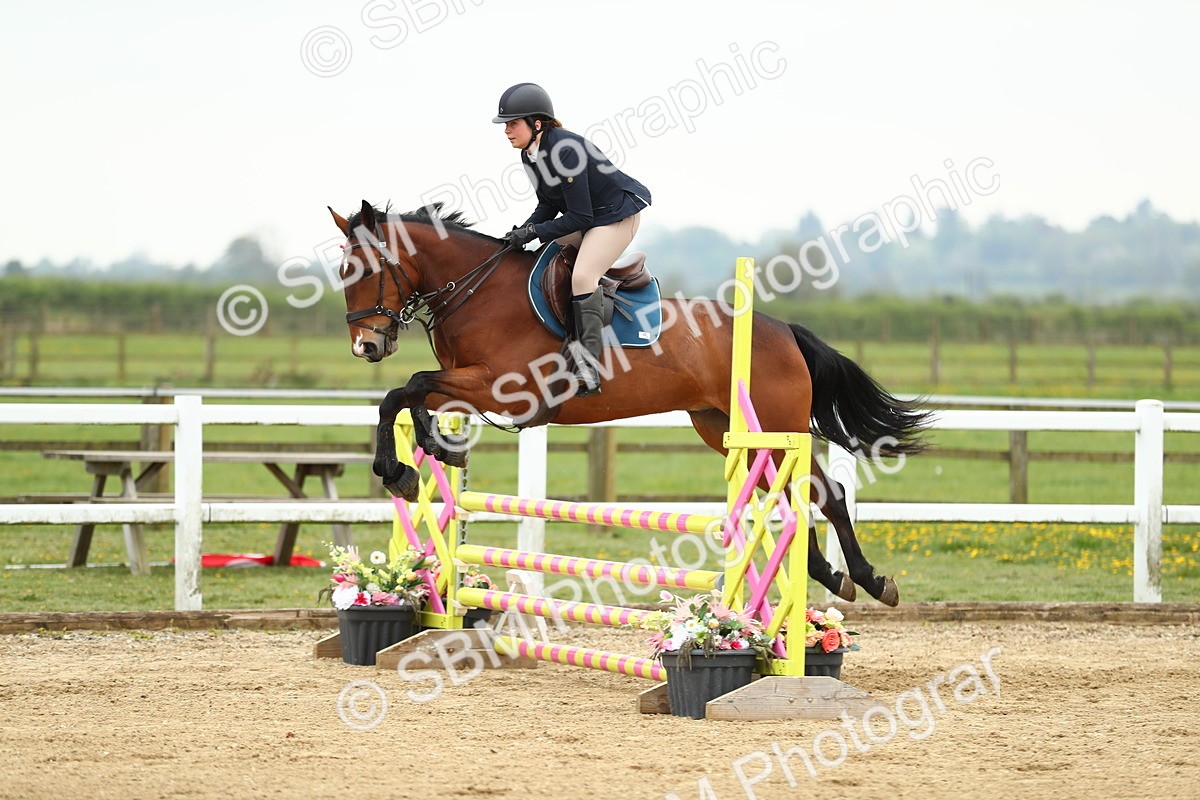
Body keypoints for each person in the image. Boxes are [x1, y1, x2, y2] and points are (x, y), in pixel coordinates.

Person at [493, 82, 651, 397]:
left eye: (513, 123)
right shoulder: (529, 154)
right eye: (505, 125)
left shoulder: (565, 150)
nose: (507, 130)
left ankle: (589, 369)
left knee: (583, 277)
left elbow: (581, 218)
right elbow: (549, 204)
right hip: (589, 217)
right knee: (538, 252)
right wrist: (522, 232)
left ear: (536, 124)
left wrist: (534, 231)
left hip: (616, 216)